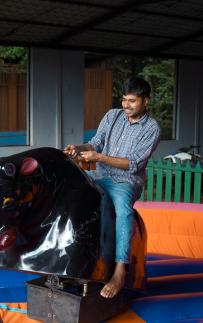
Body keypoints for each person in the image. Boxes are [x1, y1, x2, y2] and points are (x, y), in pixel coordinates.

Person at [64, 77, 161, 298]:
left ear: (145, 101)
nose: (126, 105)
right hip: (99, 175)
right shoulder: (112, 115)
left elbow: (133, 163)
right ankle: (70, 256)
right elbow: (96, 143)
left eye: (132, 101)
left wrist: (99, 157)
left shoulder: (152, 129)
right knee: (68, 188)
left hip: (126, 182)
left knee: (124, 211)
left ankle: (118, 272)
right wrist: (78, 148)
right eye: (124, 100)